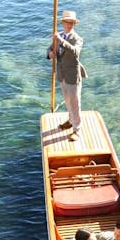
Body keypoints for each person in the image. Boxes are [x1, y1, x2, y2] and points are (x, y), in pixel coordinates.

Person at [47, 10, 87, 142]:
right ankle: (70, 121)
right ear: (63, 23)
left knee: (75, 103)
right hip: (62, 75)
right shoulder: (59, 36)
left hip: (72, 76)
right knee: (68, 101)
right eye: (67, 22)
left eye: (72, 23)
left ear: (74, 24)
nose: (69, 25)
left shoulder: (77, 39)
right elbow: (50, 49)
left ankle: (77, 129)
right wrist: (50, 54)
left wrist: (61, 41)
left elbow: (75, 52)